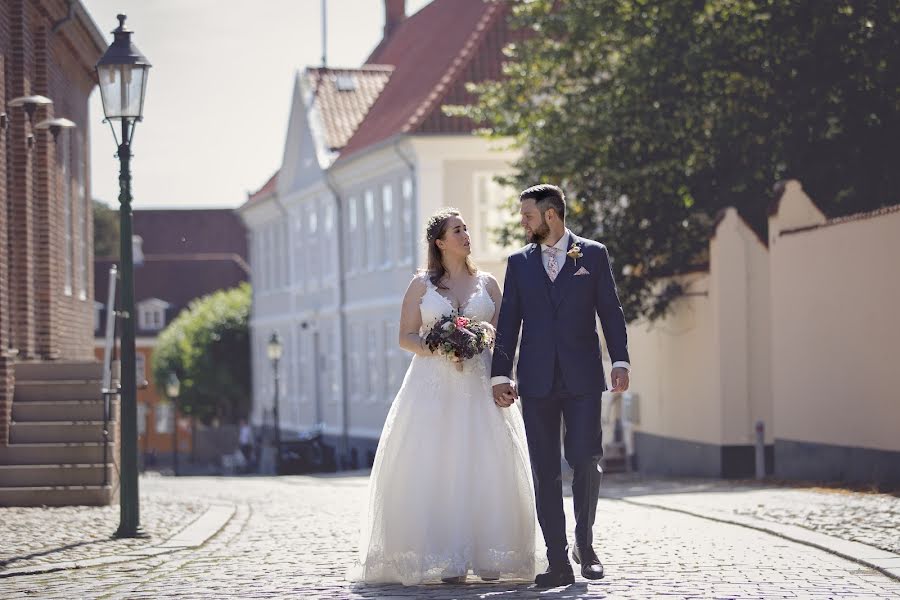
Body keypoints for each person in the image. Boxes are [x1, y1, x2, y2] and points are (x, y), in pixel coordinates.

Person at [349, 208, 540, 585]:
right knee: (438, 463)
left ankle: (488, 553)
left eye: (466, 228)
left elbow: (503, 336)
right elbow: (405, 336)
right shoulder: (421, 285)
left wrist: (496, 365)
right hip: (432, 386)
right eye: (457, 230)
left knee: (486, 460)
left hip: (481, 382)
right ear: (440, 242)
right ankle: (448, 556)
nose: (466, 234)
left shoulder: (488, 283)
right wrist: (439, 346)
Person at [492, 184, 630, 587]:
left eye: (527, 215)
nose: (522, 222)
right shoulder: (519, 263)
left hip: (584, 377)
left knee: (586, 458)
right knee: (545, 470)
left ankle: (584, 545)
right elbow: (509, 322)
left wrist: (619, 359)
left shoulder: (592, 254)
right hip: (535, 382)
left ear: (551, 215)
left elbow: (610, 309)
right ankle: (557, 561)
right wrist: (501, 374)